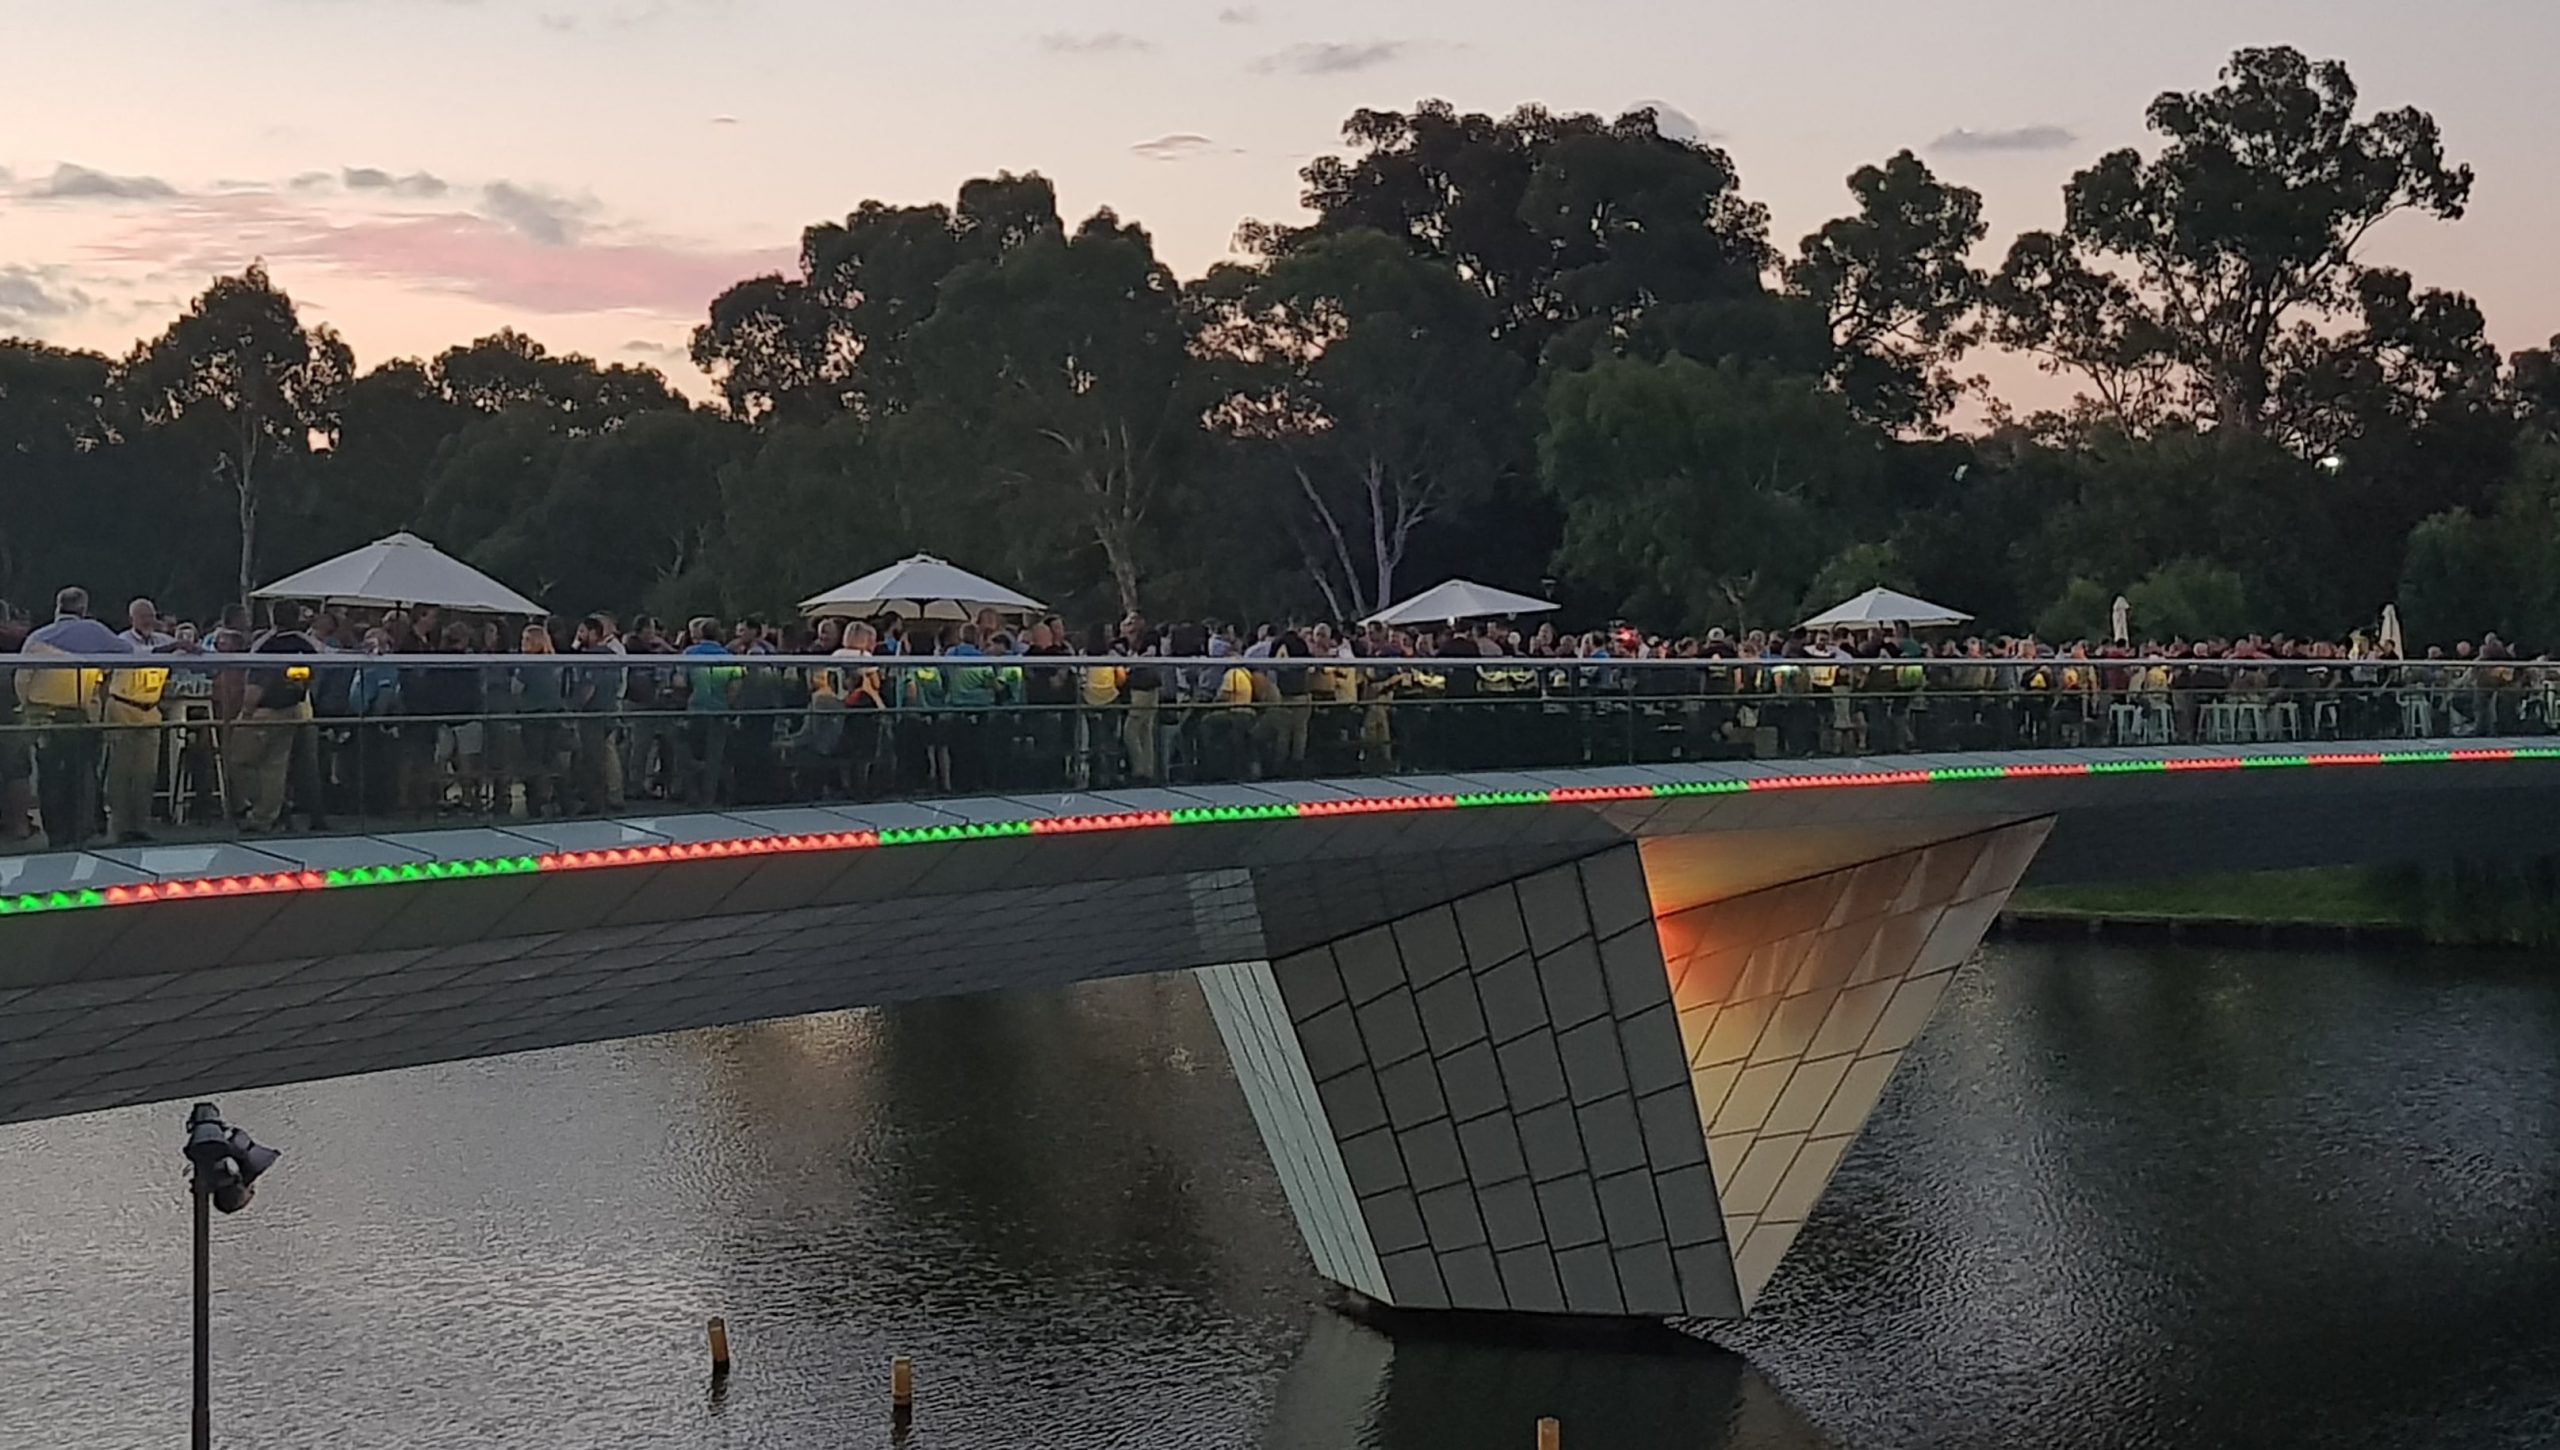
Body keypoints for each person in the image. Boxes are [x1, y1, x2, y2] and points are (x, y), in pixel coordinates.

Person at [20, 587, 131, 848]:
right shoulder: (94, 631)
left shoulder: (37, 637)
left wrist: (27, 705)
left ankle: (55, 834)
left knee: (48, 777)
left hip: (42, 715)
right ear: (83, 608)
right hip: (78, 713)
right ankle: (81, 831)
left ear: (58, 608)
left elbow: (22, 677)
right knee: (81, 774)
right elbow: (128, 653)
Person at [228, 601, 324, 833]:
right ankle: (267, 816)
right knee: (275, 767)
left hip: (264, 709)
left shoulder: (267, 644)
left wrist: (246, 712)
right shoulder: (309, 645)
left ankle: (251, 810)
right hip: (293, 708)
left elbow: (258, 679)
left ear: (273, 617)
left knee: (238, 760)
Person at [568, 616, 625, 816]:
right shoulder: (612, 657)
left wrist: (574, 708)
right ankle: (609, 796)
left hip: (592, 714)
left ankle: (594, 802)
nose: (579, 636)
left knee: (591, 760)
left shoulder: (591, 658)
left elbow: (588, 687)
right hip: (609, 710)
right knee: (604, 756)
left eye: (582, 631)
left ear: (593, 633)